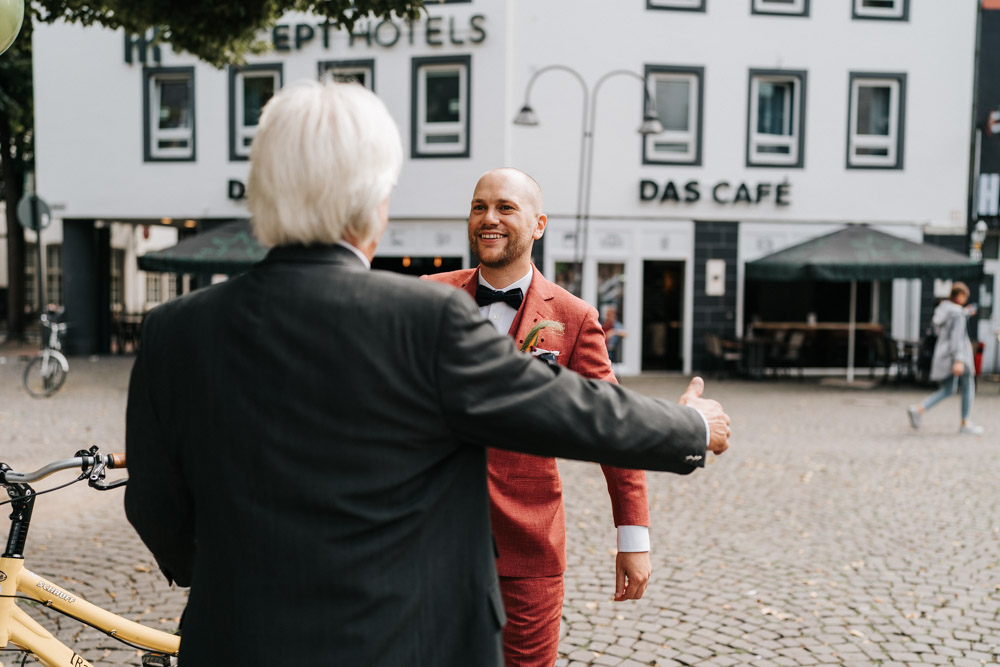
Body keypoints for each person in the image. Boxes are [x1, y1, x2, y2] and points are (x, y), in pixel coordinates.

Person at [123, 80, 731, 667]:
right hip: (384, 636)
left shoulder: (171, 330)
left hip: (230, 636)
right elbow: (575, 411)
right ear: (374, 202)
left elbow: (153, 504)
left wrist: (233, 573)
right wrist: (690, 425)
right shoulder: (425, 314)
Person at [425, 168, 647, 666]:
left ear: (538, 224)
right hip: (430, 542)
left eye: (506, 207)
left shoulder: (572, 317)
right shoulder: (427, 298)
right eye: (480, 206)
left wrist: (632, 538)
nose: (490, 218)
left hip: (526, 550)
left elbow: (613, 428)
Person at [907, 282, 983, 435]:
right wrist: (959, 359)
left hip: (943, 354)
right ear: (960, 296)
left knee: (948, 389)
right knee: (968, 385)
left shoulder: (944, 309)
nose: (966, 299)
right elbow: (956, 337)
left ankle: (918, 409)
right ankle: (965, 422)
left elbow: (948, 325)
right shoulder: (958, 313)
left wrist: (965, 313)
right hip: (958, 355)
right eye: (965, 296)